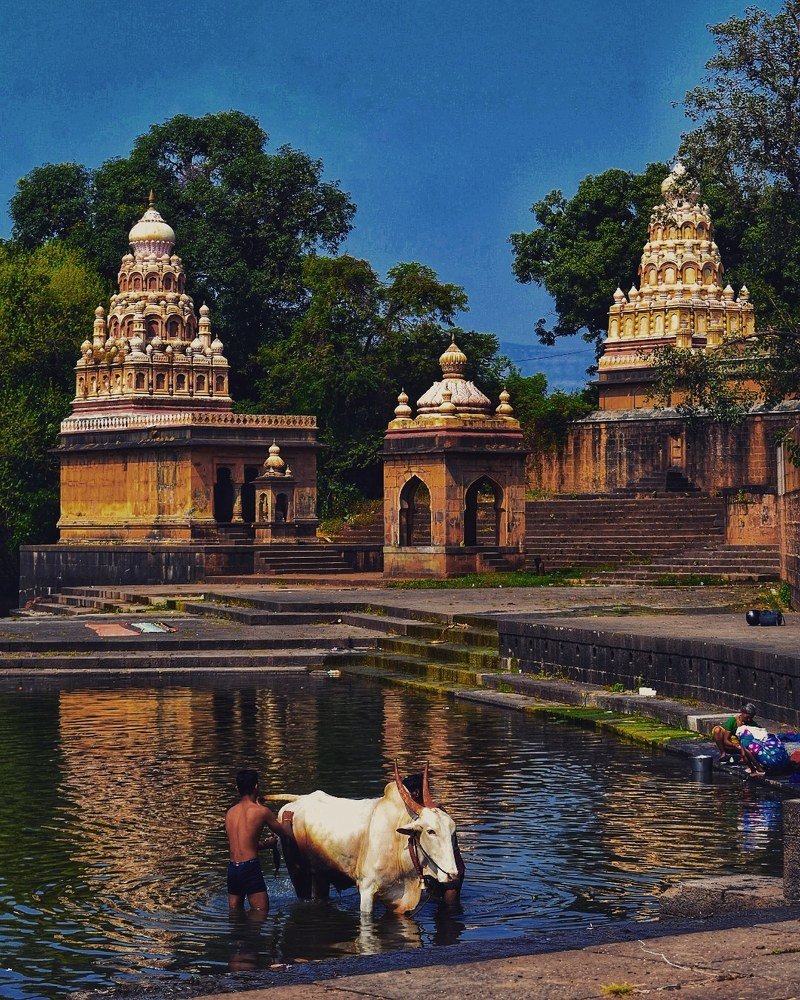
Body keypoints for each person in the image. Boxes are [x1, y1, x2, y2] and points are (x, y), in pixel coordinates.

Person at [225, 768, 294, 912]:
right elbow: (286, 834)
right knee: (261, 914)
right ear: (256, 787)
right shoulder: (261, 811)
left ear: (237, 788)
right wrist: (287, 820)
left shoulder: (230, 813)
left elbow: (241, 845)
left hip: (232, 869)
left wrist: (266, 845)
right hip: (250, 868)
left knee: (234, 914)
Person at [403, 772, 465, 906]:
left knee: (450, 912)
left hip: (450, 867)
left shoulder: (437, 813)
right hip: (433, 868)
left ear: (416, 793)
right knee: (437, 907)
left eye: (406, 794)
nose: (404, 799)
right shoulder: (416, 815)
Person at [711, 703, 766, 776]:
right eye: (747, 717)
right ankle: (723, 753)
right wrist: (735, 745)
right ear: (742, 713)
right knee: (717, 730)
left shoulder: (752, 724)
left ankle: (749, 763)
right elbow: (725, 740)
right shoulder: (732, 721)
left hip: (743, 747)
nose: (748, 720)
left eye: (751, 718)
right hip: (730, 745)